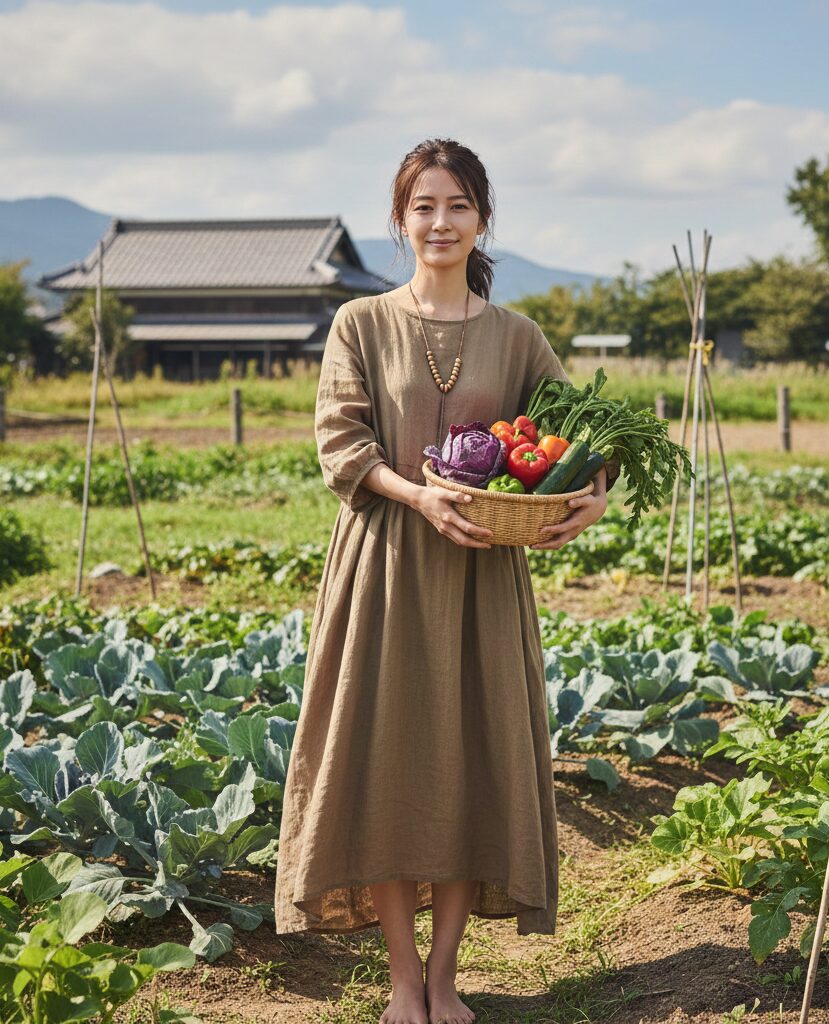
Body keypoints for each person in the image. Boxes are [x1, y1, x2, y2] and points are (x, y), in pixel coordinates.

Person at [274, 138, 618, 1024]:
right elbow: (341, 443)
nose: (440, 221)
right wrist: (417, 495)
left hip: (482, 581)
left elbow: (581, 436)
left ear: (482, 219)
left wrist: (597, 498)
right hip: (385, 567)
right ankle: (398, 979)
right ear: (400, 220)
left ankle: (445, 977)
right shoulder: (361, 323)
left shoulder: (518, 335)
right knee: (386, 761)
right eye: (423, 206)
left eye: (457, 204)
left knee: (471, 759)